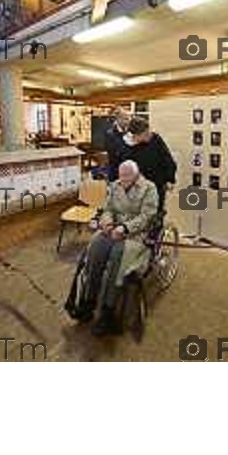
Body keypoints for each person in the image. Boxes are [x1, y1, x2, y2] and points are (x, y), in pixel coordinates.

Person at [72, 160, 159, 336]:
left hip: (136, 234)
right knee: (95, 247)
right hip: (113, 229)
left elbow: (147, 216)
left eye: (128, 178)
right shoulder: (115, 185)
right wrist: (107, 221)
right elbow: (108, 208)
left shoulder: (149, 188)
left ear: (136, 175)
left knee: (118, 258)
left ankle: (108, 311)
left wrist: (126, 228)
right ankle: (88, 301)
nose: (124, 182)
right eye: (121, 178)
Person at [125, 116, 177, 212]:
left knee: (156, 214)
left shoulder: (156, 139)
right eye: (145, 134)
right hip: (140, 188)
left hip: (158, 185)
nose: (149, 134)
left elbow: (168, 160)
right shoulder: (131, 146)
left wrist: (170, 179)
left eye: (148, 131)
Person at [103, 106, 131, 181]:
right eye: (126, 119)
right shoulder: (110, 134)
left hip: (128, 172)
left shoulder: (129, 132)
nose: (128, 121)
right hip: (116, 173)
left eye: (128, 118)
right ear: (118, 119)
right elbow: (114, 154)